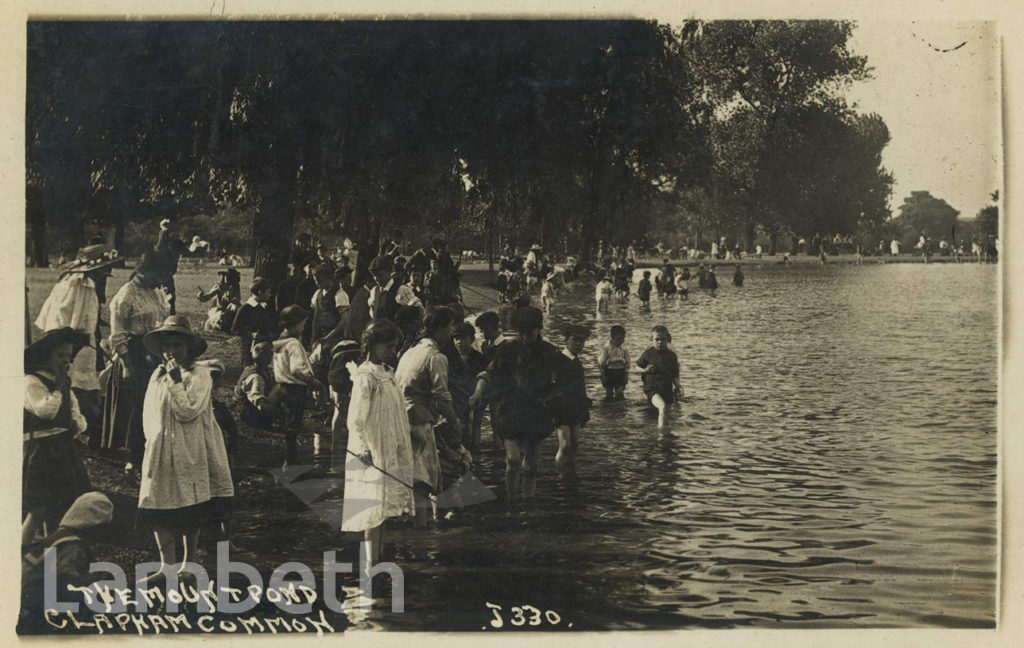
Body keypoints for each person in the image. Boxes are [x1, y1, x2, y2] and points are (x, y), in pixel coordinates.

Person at [137, 315, 233, 584]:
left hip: (189, 446)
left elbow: (188, 410)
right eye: (167, 346)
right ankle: (166, 566)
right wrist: (150, 441)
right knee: (158, 503)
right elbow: (149, 411)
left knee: (188, 503)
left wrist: (177, 380)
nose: (171, 352)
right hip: (160, 445)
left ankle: (189, 563)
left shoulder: (199, 375)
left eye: (177, 345)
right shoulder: (157, 375)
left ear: (188, 347)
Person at [469, 306, 563, 501]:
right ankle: (511, 502)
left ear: (539, 329)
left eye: (529, 332)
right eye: (521, 332)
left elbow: (561, 382)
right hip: (510, 409)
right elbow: (489, 372)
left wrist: (556, 404)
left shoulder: (549, 351)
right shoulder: (508, 349)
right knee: (512, 461)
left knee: (531, 465)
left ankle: (528, 501)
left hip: (536, 410)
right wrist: (478, 392)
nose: (525, 337)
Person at [341, 320, 415, 568]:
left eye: (396, 346)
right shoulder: (366, 375)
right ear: (373, 345)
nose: (394, 351)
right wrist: (362, 448)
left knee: (384, 506)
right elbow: (356, 417)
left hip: (389, 443)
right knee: (373, 505)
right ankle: (371, 561)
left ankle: (380, 555)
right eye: (389, 346)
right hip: (373, 447)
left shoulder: (386, 371)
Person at [35, 242, 122, 448]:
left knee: (85, 386)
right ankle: (75, 432)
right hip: (71, 344)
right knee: (75, 386)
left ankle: (87, 431)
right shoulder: (77, 285)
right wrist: (71, 345)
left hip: (81, 343)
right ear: (95, 267)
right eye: (104, 269)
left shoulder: (83, 284)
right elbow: (62, 319)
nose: (106, 274)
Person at [101, 252, 170, 480]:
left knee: (157, 403)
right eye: (157, 274)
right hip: (133, 356)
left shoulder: (154, 291)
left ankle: (153, 453)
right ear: (142, 271)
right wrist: (127, 365)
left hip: (154, 352)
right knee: (137, 407)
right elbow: (117, 335)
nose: (161, 279)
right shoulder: (125, 296)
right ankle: (133, 459)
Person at [395, 307, 466, 527]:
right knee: (423, 478)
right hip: (419, 417)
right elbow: (442, 396)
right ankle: (423, 530)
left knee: (414, 476)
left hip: (401, 416)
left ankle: (423, 526)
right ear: (440, 328)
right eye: (451, 327)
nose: (453, 332)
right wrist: (455, 422)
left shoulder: (411, 350)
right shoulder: (436, 356)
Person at [23, 328, 93, 547]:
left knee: (63, 503)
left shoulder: (64, 383)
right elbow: (46, 410)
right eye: (61, 356)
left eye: (69, 357)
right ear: (46, 356)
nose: (66, 361)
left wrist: (77, 424)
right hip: (40, 449)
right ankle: (21, 550)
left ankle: (53, 551)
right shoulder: (30, 382)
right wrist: (59, 388)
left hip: (63, 448)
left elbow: (75, 413)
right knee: (38, 506)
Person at [20, 492, 114, 623]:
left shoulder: (58, 536)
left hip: (28, 592)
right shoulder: (74, 545)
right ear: (93, 525)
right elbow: (65, 577)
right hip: (37, 606)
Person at [273, 305, 324, 468]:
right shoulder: (294, 344)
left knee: (290, 426)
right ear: (295, 325)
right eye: (302, 324)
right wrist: (314, 382)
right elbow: (297, 369)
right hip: (294, 389)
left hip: (283, 387)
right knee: (293, 427)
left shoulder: (280, 340)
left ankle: (292, 461)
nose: (303, 328)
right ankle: (290, 464)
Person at [551, 325, 592, 468]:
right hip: (561, 408)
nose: (578, 344)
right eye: (575, 340)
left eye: (582, 341)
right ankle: (559, 474)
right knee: (565, 445)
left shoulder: (576, 360)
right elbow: (553, 386)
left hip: (576, 407)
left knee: (575, 444)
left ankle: (569, 474)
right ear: (566, 340)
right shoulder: (558, 359)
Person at [446, 322, 487, 450]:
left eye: (463, 338)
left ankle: (475, 451)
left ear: (472, 339)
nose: (459, 342)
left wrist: (477, 394)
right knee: (457, 428)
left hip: (474, 396)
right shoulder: (448, 358)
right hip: (455, 399)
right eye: (456, 338)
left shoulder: (479, 358)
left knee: (475, 425)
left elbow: (483, 378)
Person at [327, 337, 362, 472]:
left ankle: (335, 445)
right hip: (341, 374)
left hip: (336, 374)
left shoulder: (339, 344)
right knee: (344, 410)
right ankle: (339, 444)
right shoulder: (356, 345)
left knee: (340, 410)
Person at [637, 325, 681, 428]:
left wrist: (678, 386)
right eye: (657, 339)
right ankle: (661, 437)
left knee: (666, 416)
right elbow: (636, 367)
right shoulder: (648, 354)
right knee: (662, 407)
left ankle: (663, 434)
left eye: (663, 339)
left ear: (668, 339)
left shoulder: (672, 356)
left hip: (667, 389)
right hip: (652, 388)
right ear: (651, 340)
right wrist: (645, 370)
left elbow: (674, 374)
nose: (660, 342)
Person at [234, 335, 280, 430]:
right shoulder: (256, 377)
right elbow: (260, 404)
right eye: (271, 353)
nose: (273, 356)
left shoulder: (253, 369)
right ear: (267, 357)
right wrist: (278, 412)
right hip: (252, 416)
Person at [232, 277, 277, 368]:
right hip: (249, 347)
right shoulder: (245, 309)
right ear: (260, 293)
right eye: (268, 292)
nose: (270, 295)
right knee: (250, 368)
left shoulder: (264, 307)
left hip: (263, 346)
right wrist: (251, 334)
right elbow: (235, 328)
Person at [368, 255, 423, 322]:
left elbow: (419, 309)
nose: (376, 279)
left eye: (380, 275)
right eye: (374, 275)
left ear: (389, 272)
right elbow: (373, 314)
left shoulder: (401, 289)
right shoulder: (374, 291)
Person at [197, 267, 241, 332]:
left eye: (227, 276)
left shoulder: (235, 287)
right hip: (219, 310)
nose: (225, 278)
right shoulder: (219, 286)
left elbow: (236, 299)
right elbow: (208, 296)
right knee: (220, 318)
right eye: (224, 276)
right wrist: (201, 296)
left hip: (230, 311)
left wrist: (233, 303)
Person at [598, 325, 630, 401]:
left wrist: (626, 374)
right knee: (609, 394)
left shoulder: (624, 349)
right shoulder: (606, 348)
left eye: (623, 339)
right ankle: (610, 409)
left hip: (620, 372)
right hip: (609, 372)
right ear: (612, 337)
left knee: (620, 393)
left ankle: (620, 409)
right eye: (619, 339)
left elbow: (628, 363)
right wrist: (603, 375)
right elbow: (601, 364)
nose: (621, 341)